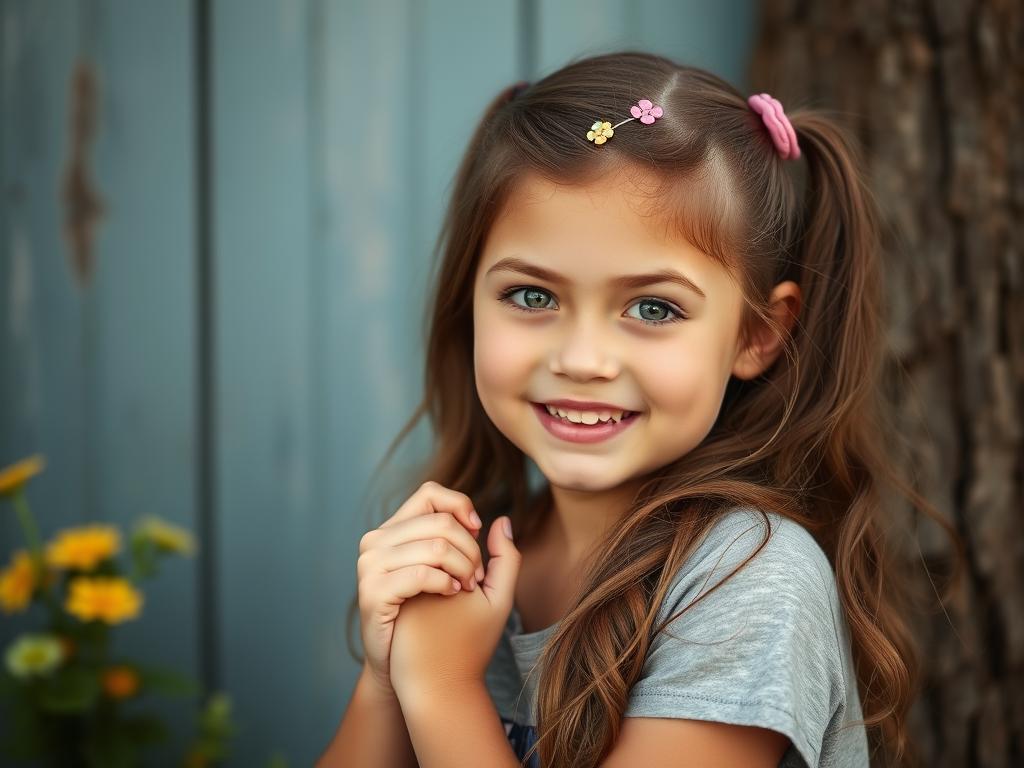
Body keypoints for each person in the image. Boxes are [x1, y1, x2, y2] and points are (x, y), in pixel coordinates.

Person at [317, 51, 961, 768]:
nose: (583, 358)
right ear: (469, 300)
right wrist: (387, 676)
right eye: (532, 296)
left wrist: (439, 685)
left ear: (758, 334)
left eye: (653, 307)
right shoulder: (471, 561)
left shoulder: (747, 580)